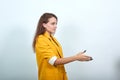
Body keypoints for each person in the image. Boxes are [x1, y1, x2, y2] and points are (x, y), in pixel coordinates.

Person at [32, 13, 92, 80]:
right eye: (52, 23)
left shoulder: (53, 39)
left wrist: (76, 56)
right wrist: (76, 57)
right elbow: (54, 61)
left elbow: (58, 59)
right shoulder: (41, 39)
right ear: (44, 24)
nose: (55, 26)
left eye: (56, 24)